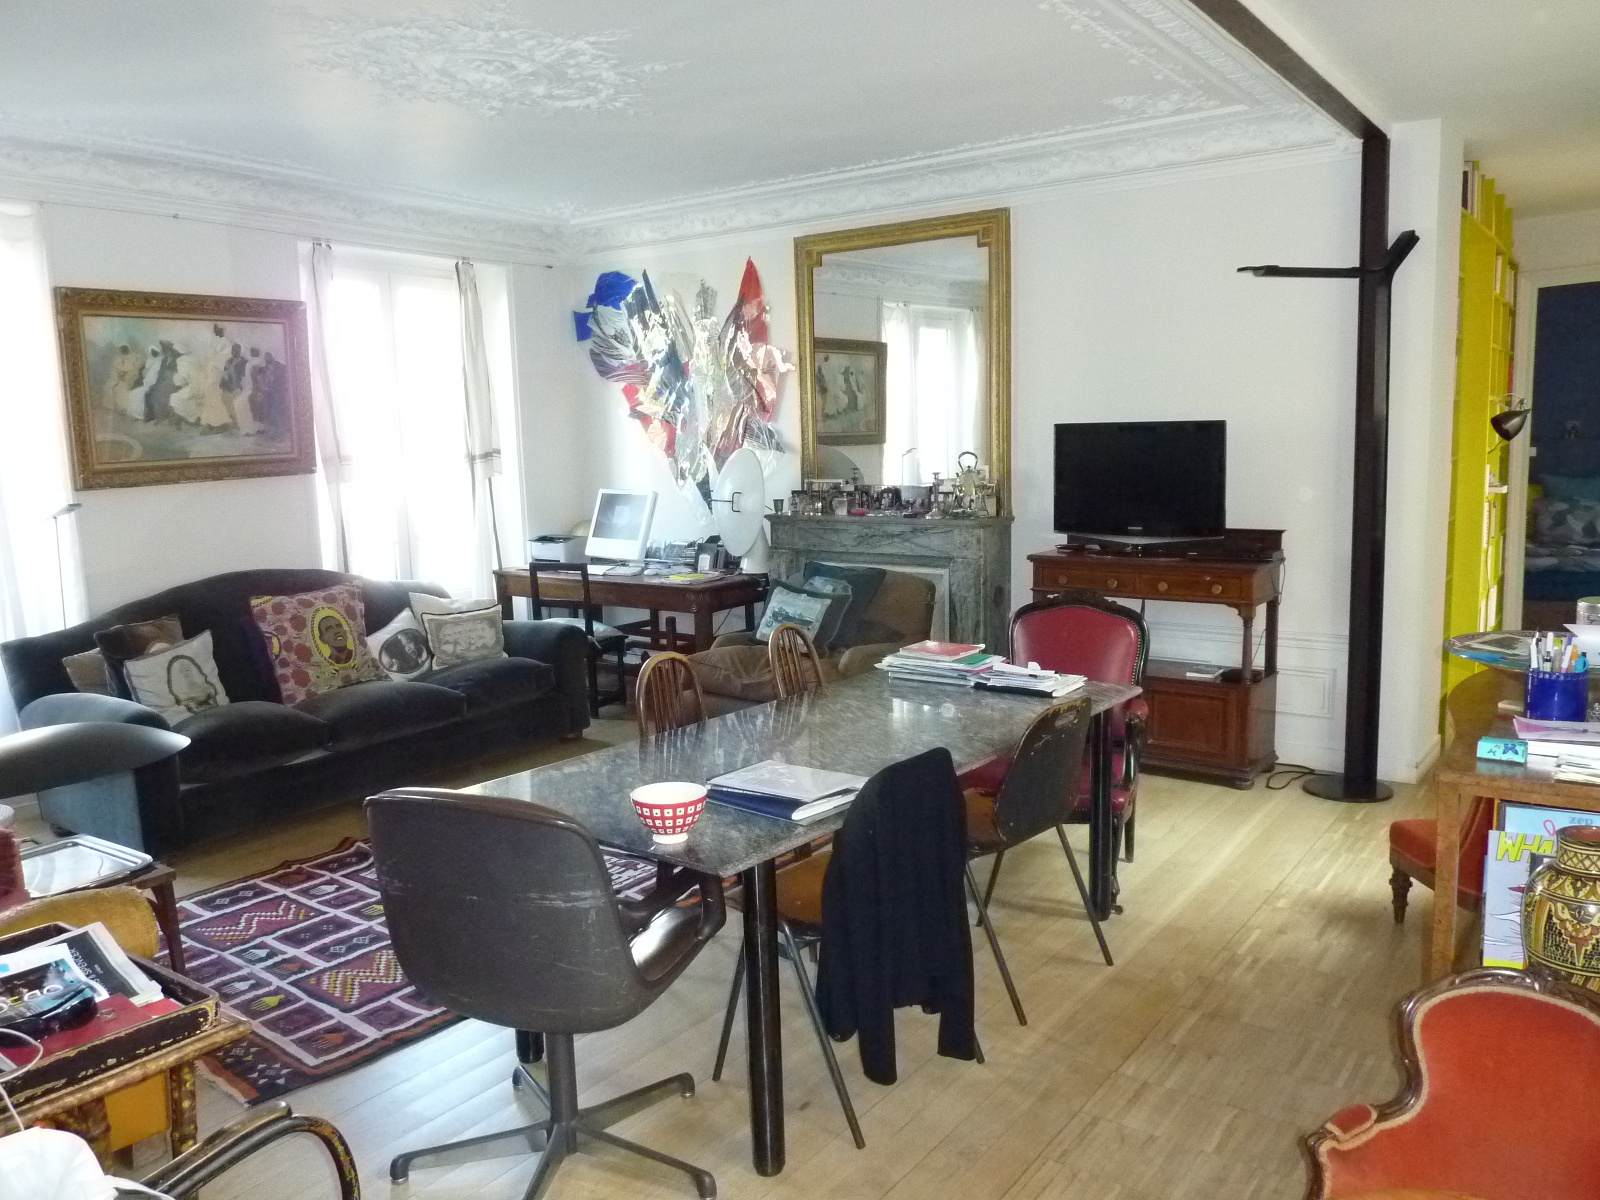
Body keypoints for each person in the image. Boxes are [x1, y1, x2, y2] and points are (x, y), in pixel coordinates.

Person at [102, 344, 142, 414]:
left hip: (130, 377)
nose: (122, 352)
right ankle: (115, 407)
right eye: (122, 351)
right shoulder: (119, 358)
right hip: (119, 377)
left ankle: (123, 408)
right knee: (110, 386)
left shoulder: (134, 357)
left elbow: (134, 369)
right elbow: (116, 368)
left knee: (121, 389)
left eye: (124, 350)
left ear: (127, 350)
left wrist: (126, 374)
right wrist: (119, 374)